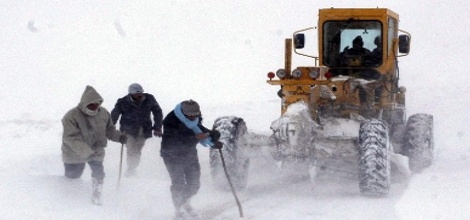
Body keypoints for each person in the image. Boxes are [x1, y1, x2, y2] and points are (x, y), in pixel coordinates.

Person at [61, 85, 127, 205]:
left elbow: (109, 130)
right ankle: (69, 200)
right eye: (91, 104)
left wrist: (119, 136)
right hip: (74, 153)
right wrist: (87, 152)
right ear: (84, 103)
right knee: (73, 177)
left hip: (96, 150)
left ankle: (97, 195)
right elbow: (70, 138)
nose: (95, 106)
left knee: (98, 173)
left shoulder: (103, 113)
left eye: (97, 104)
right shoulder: (71, 116)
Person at [160, 99, 222, 219]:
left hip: (189, 154)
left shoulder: (195, 119)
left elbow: (199, 129)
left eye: (196, 115)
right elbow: (176, 140)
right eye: (190, 115)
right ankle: (179, 209)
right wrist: (196, 137)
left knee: (194, 184)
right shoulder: (171, 120)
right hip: (171, 154)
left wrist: (213, 137)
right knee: (178, 183)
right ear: (183, 113)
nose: (193, 117)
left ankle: (185, 203)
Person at [111, 83, 163, 177]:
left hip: (144, 130)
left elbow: (157, 112)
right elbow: (115, 114)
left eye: (141, 93)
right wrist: (110, 127)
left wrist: (157, 127)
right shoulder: (122, 102)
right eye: (137, 93)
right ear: (131, 93)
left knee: (137, 150)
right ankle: (130, 169)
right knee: (131, 149)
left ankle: (133, 167)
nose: (140, 95)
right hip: (128, 130)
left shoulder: (149, 99)